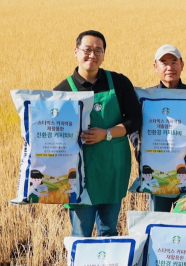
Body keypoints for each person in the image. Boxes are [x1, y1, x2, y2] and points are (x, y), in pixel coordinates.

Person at [54, 30, 141, 237]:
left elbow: (135, 119)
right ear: (76, 52)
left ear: (104, 55)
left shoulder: (119, 82)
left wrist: (107, 133)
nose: (92, 55)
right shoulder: (63, 91)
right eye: (87, 50)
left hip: (113, 168)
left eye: (98, 51)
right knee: (81, 233)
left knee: (109, 231)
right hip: (80, 174)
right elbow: (53, 132)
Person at [137, 44, 186, 212]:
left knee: (185, 219)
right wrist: (139, 147)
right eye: (164, 62)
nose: (169, 67)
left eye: (174, 62)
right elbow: (134, 127)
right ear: (155, 67)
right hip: (157, 170)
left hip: (185, 170)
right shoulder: (146, 97)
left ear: (182, 65)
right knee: (159, 220)